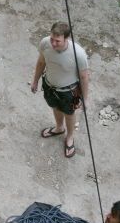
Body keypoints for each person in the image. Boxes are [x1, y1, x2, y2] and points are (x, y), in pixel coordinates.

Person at [31, 21, 90, 158]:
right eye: (52, 38)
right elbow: (41, 62)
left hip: (68, 92)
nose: (53, 43)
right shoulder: (45, 43)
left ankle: (70, 137)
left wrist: (85, 99)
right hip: (50, 86)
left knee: (69, 114)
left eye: (57, 41)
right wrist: (35, 80)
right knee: (55, 107)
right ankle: (59, 128)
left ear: (66, 38)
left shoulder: (78, 54)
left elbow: (84, 77)